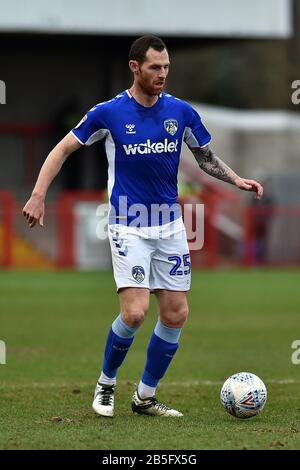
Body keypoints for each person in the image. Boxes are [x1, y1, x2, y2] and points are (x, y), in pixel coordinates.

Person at [22, 35, 263, 418]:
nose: (162, 74)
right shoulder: (109, 112)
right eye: (155, 67)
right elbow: (62, 149)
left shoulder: (180, 112)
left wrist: (236, 180)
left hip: (169, 227)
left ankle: (145, 397)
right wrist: (37, 195)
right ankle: (106, 384)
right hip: (128, 224)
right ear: (135, 67)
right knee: (134, 312)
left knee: (176, 314)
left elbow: (204, 157)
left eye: (166, 66)